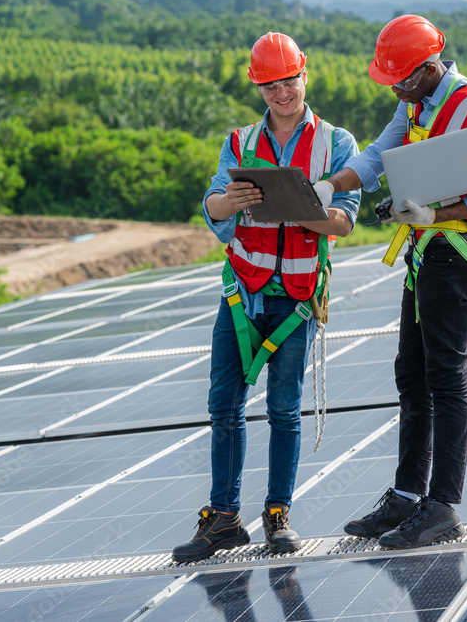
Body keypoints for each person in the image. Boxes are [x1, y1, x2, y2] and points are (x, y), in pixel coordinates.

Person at [321, 15, 467, 549]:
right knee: (411, 373)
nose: (397, 90)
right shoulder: (414, 102)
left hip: (457, 254)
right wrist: (326, 186)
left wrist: (438, 213)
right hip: (424, 253)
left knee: (446, 377)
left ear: (431, 67)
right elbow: (373, 159)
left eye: (403, 80)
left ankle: (443, 506)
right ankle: (408, 496)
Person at [172, 32, 362, 562]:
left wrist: (298, 207)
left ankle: (277, 514)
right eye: (271, 85)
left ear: (305, 75)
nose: (282, 93)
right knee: (223, 404)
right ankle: (224, 517)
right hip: (242, 293)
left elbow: (345, 219)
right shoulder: (238, 144)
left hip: (297, 295)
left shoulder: (335, 143)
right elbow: (211, 203)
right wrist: (226, 202)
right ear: (259, 87)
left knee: (283, 409)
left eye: (290, 81)